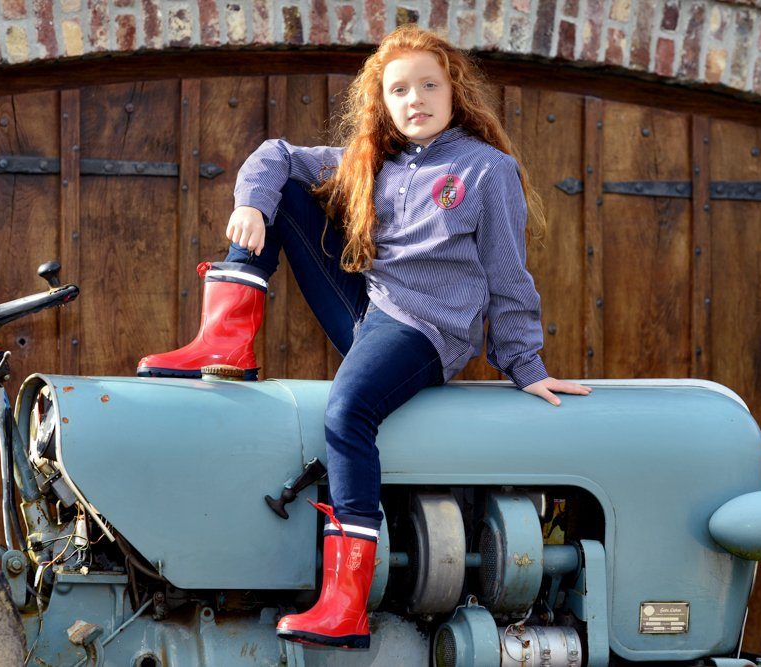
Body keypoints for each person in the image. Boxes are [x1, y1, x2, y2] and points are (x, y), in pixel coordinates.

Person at [137, 24, 591, 649]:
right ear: (383, 100)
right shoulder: (372, 160)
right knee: (284, 190)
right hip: (370, 310)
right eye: (399, 89)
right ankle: (225, 342)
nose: (415, 100)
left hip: (428, 330)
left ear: (454, 91)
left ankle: (346, 603)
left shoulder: (487, 172)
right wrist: (250, 204)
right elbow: (275, 155)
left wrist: (525, 363)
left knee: (347, 412)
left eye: (429, 85)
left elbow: (508, 275)